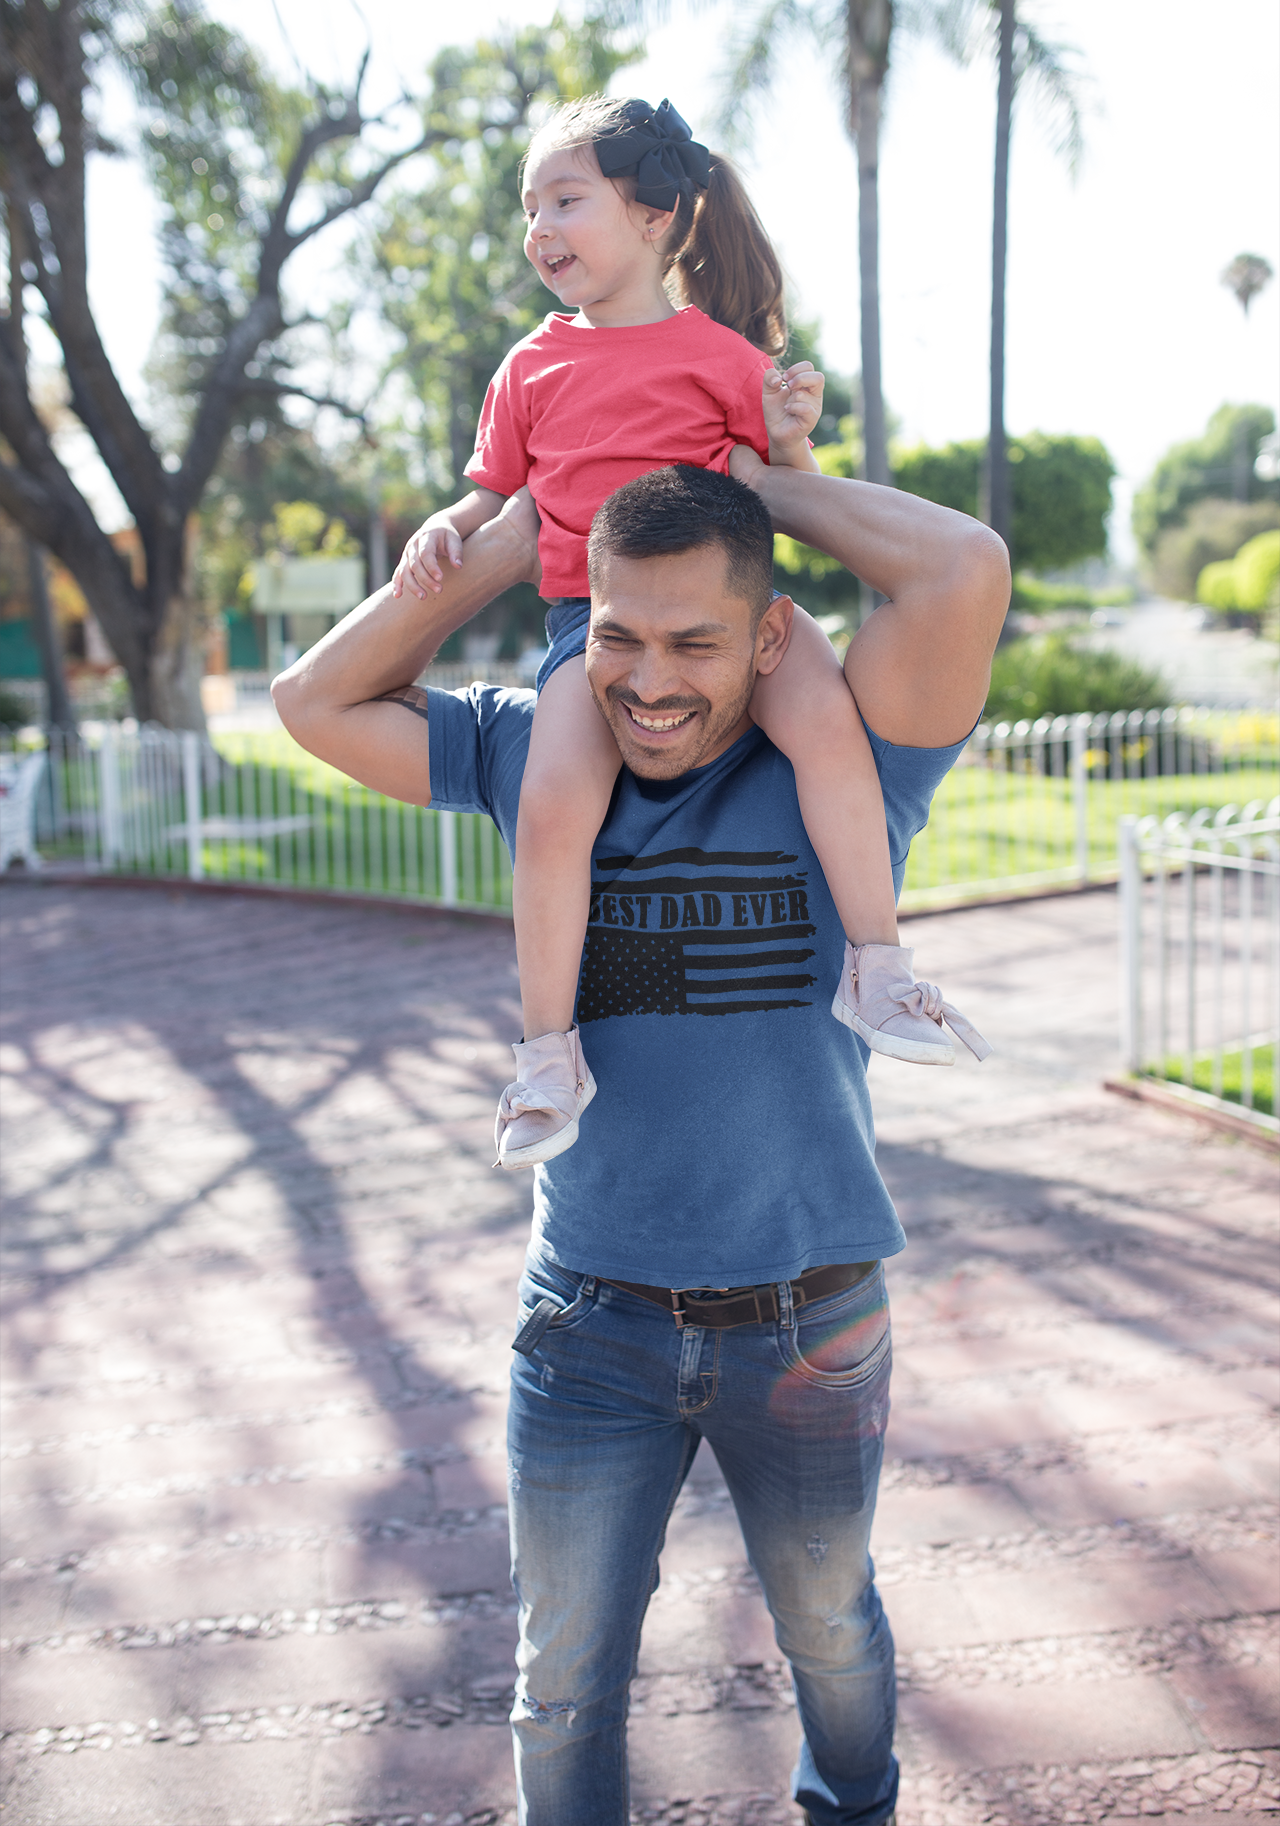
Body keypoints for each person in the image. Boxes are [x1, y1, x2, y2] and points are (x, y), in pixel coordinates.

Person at [272, 446, 1010, 1826]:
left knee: (832, 1630)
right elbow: (312, 701)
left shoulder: (851, 764)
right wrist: (496, 552)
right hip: (590, 1326)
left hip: (811, 1318)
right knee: (561, 1682)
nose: (650, 680)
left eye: (694, 640)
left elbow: (963, 569)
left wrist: (756, 484)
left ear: (769, 638)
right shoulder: (525, 754)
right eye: (617, 634)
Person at [390, 96, 988, 1171]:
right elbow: (488, 497)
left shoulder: (719, 355)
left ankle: (878, 971)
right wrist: (445, 525)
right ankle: (544, 1054)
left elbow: (794, 498)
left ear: (657, 214)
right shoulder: (526, 368)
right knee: (551, 805)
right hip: (596, 630)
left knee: (825, 730)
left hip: (740, 621)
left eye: (566, 199)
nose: (540, 227)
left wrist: (793, 436)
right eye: (529, 207)